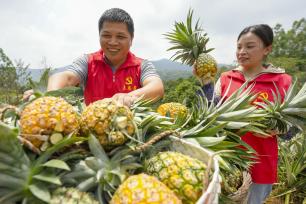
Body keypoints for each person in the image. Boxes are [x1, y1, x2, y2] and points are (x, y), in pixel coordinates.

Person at [195, 24, 292, 204]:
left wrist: (276, 128)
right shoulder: (226, 78)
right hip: (227, 160)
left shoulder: (282, 81)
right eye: (239, 46)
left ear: (267, 49)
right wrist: (205, 82)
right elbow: (210, 113)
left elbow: (292, 130)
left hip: (261, 164)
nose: (242, 51)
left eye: (249, 46)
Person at [24, 8, 164, 106]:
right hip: (92, 136)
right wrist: (49, 97)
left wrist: (129, 96)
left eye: (120, 36)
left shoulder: (142, 65)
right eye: (106, 35)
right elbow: (66, 78)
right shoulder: (88, 61)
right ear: (99, 36)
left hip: (132, 136)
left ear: (131, 39)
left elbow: (156, 87)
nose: (113, 42)